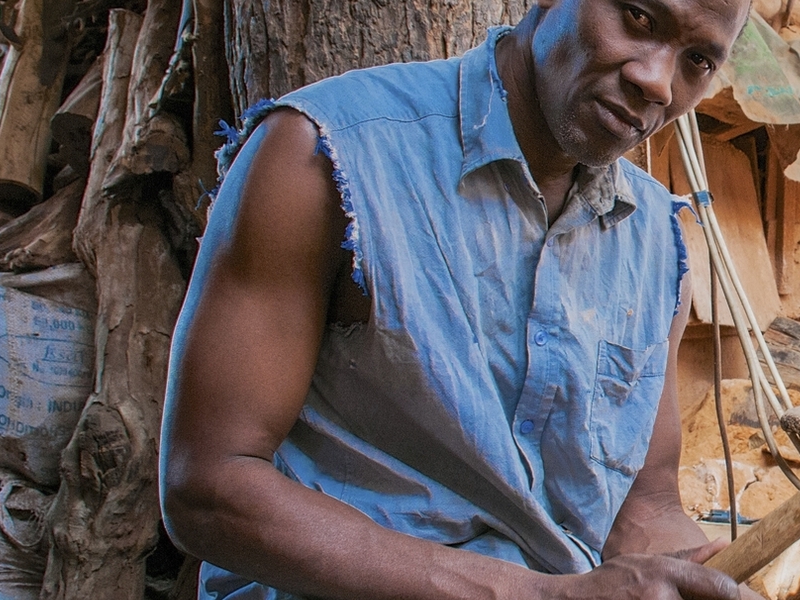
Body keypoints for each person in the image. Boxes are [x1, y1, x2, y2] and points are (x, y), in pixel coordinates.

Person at [158, 0, 757, 596]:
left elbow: (643, 512)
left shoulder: (657, 242)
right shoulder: (323, 153)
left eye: (698, 60)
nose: (655, 80)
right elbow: (206, 489)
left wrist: (694, 572)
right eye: (638, 18)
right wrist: (539, 595)